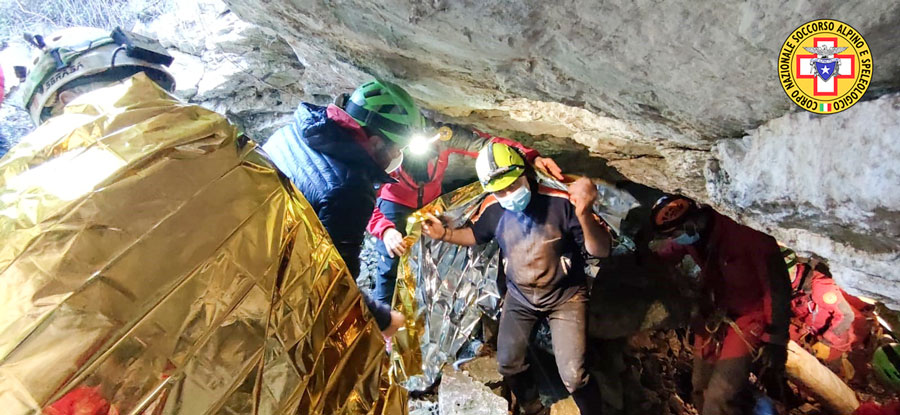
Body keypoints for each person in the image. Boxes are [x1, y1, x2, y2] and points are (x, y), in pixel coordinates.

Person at [420, 142, 610, 415]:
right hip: (520, 296)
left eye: (512, 185)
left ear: (526, 174)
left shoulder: (560, 202)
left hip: (565, 296)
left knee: (574, 375)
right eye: (500, 190)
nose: (508, 194)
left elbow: (600, 250)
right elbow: (476, 235)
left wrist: (584, 214)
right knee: (508, 363)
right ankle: (534, 408)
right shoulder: (494, 207)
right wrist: (446, 235)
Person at [263, 79, 422, 337]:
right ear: (374, 141)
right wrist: (383, 319)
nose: (396, 157)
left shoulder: (295, 132)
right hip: (270, 290)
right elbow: (334, 282)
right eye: (396, 148)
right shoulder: (349, 188)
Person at [366, 125, 564, 306]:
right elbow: (361, 197)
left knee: (435, 253)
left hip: (431, 201)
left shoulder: (441, 137)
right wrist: (385, 230)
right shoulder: (387, 156)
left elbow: (487, 146)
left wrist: (531, 157)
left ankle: (429, 305)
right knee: (390, 257)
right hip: (395, 202)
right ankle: (383, 320)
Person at [650, 195, 792, 415]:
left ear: (690, 223)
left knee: (720, 396)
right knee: (700, 388)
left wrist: (775, 338)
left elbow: (776, 286)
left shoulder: (746, 234)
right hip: (713, 314)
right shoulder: (693, 236)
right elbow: (665, 254)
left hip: (748, 318)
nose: (677, 240)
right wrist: (641, 258)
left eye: (677, 235)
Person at [782, 246, 873, 381]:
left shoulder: (819, 287)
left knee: (829, 374)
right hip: (813, 331)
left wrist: (826, 342)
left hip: (836, 338)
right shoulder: (793, 288)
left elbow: (846, 316)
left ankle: (851, 375)